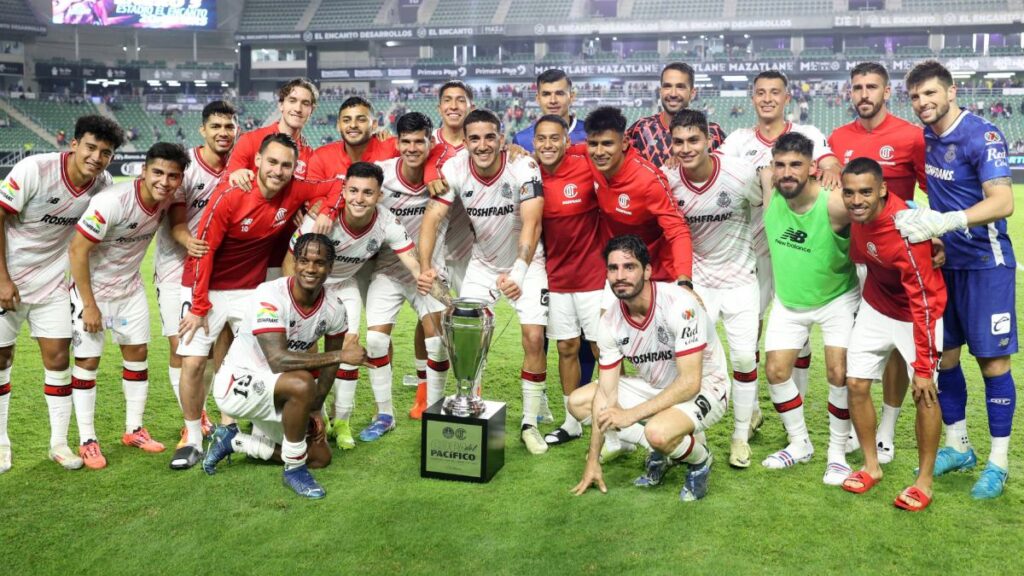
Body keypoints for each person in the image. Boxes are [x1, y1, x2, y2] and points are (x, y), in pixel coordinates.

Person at [176, 134, 340, 465]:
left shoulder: (295, 189)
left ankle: (237, 429)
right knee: (194, 362)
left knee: (262, 358)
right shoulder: (232, 195)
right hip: (204, 285)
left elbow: (335, 184)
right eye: (273, 162)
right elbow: (204, 253)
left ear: (294, 168)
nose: (278, 171)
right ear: (258, 162)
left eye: (286, 165)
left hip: (248, 288)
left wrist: (327, 211)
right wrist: (198, 307)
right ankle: (192, 437)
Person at [894, 60, 1017, 499]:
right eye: (915, 97)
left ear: (951, 93)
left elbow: (1003, 202)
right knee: (944, 359)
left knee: (992, 364)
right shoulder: (923, 137)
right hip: (944, 267)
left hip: (986, 266)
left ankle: (998, 462)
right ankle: (958, 445)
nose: (923, 103)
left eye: (930, 94)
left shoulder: (981, 135)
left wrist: (946, 221)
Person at [417, 109, 550, 455]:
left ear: (501, 138)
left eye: (489, 137)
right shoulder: (456, 168)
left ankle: (530, 422)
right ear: (465, 141)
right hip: (483, 264)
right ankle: (468, 407)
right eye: (474, 138)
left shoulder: (524, 166)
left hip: (529, 263)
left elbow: (532, 222)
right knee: (466, 337)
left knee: (534, 337)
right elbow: (432, 218)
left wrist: (520, 270)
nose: (482, 144)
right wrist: (425, 267)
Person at [0, 115, 122, 473]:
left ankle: (58, 443)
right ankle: (1, 443)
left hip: (52, 284)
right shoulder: (33, 170)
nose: (96, 157)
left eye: (105, 152)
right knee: (1, 360)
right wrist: (2, 278)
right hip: (9, 280)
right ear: (73, 144)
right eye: (90, 147)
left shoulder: (103, 185)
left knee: (57, 360)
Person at [203, 233, 367, 499]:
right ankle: (293, 469)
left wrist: (315, 408)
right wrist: (339, 356)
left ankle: (236, 441)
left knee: (320, 456)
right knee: (302, 382)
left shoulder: (335, 308)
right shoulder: (270, 295)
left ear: (330, 267)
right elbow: (278, 359)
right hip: (238, 385)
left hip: (281, 390)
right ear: (295, 262)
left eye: (319, 262)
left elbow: (330, 365)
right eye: (304, 261)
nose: (311, 269)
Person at [570, 235, 729, 501]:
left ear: (647, 270)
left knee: (657, 432)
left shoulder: (679, 304)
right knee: (579, 402)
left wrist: (631, 415)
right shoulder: (609, 321)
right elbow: (605, 395)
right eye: (613, 268)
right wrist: (593, 460)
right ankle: (665, 448)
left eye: (629, 266)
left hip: (706, 387)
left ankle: (700, 460)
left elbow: (690, 382)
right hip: (658, 388)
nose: (620, 275)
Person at [719, 70, 842, 403]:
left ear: (787, 98)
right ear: (753, 98)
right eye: (761, 92)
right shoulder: (737, 142)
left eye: (775, 92)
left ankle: (797, 397)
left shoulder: (807, 133)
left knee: (798, 330)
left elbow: (831, 163)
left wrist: (831, 167)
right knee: (751, 327)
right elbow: (713, 170)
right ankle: (753, 401)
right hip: (753, 249)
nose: (768, 98)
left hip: (797, 249)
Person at [828, 62, 929, 464]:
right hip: (854, 257)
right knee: (857, 344)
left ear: (887, 92)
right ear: (849, 93)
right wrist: (829, 162)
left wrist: (934, 234)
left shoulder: (910, 137)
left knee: (891, 350)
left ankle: (886, 430)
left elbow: (930, 191)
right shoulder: (838, 138)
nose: (864, 94)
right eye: (857, 87)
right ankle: (855, 427)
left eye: (872, 87)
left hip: (895, 256)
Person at [68, 142, 190, 468]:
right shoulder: (111, 202)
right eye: (158, 172)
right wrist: (89, 305)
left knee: (137, 356)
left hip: (130, 291)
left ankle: (134, 429)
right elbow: (77, 251)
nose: (164, 181)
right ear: (143, 170)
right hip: (92, 294)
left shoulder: (168, 201)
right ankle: (87, 440)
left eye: (173, 176)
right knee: (87, 363)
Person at [291, 161, 430, 447]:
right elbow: (290, 259)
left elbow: (413, 264)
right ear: (343, 191)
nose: (359, 198)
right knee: (301, 354)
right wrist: (291, 299)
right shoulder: (321, 220)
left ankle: (342, 422)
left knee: (350, 350)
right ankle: (309, 416)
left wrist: (432, 285)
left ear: (379, 196)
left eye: (368, 192)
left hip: (344, 288)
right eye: (353, 191)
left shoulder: (386, 221)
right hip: (309, 290)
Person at [838, 158, 945, 511]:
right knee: (856, 384)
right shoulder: (858, 217)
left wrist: (925, 366)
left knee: (926, 394)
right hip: (876, 306)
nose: (857, 201)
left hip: (917, 316)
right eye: (850, 193)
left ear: (883, 189)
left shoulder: (906, 231)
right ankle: (871, 465)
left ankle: (924, 482)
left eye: (866, 192)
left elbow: (926, 302)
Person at [662, 109, 764, 469]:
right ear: (671, 144)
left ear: (709, 141)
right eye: (679, 142)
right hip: (698, 285)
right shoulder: (667, 179)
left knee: (743, 360)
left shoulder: (740, 173)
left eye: (694, 140)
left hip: (740, 280)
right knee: (692, 364)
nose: (686, 148)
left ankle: (740, 435)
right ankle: (695, 432)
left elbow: (767, 208)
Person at [761, 132, 858, 486]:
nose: (787, 172)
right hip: (789, 301)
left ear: (812, 168)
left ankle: (836, 453)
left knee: (838, 372)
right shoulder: (769, 189)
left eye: (796, 165)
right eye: (780, 165)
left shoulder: (833, 204)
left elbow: (879, 208)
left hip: (837, 298)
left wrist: (933, 237)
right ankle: (799, 443)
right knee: (775, 371)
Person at [152, 102, 238, 468]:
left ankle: (225, 418)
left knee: (224, 346)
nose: (223, 132)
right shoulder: (185, 168)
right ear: (203, 130)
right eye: (216, 126)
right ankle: (194, 424)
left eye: (229, 127)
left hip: (221, 271)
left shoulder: (240, 166)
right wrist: (195, 246)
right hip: (177, 267)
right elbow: (176, 224)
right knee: (185, 349)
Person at [368, 113, 451, 421]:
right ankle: (384, 415)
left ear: (431, 142)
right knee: (375, 341)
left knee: (438, 344)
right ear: (397, 142)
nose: (413, 148)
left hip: (430, 271)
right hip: (388, 270)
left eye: (420, 141)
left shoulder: (444, 174)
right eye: (406, 141)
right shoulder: (381, 175)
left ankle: (434, 407)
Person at [533, 114, 605, 446]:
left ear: (566, 141)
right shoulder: (530, 175)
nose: (548, 144)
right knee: (566, 347)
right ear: (534, 143)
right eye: (541, 139)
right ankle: (572, 420)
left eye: (554, 138)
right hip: (557, 278)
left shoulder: (584, 163)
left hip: (593, 276)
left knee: (603, 349)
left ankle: (610, 417)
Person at [580, 106, 693, 284]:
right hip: (616, 270)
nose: (599, 152)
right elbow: (560, 152)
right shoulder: (590, 157)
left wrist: (685, 280)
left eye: (608, 144)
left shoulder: (648, 181)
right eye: (593, 144)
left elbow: (677, 230)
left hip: (655, 274)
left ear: (624, 142)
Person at [626, 62, 727, 167]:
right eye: (667, 86)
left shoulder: (713, 133)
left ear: (692, 93)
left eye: (680, 87)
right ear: (660, 91)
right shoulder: (641, 129)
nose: (673, 94)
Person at [307, 96, 399, 181]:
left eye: (361, 120)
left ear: (374, 124)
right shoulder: (321, 157)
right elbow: (314, 196)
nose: (353, 125)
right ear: (338, 125)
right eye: (346, 120)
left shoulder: (394, 149)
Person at [512, 69, 587, 152]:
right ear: (538, 98)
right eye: (546, 94)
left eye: (559, 93)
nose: (553, 100)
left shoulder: (590, 133)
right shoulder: (521, 140)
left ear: (571, 97)